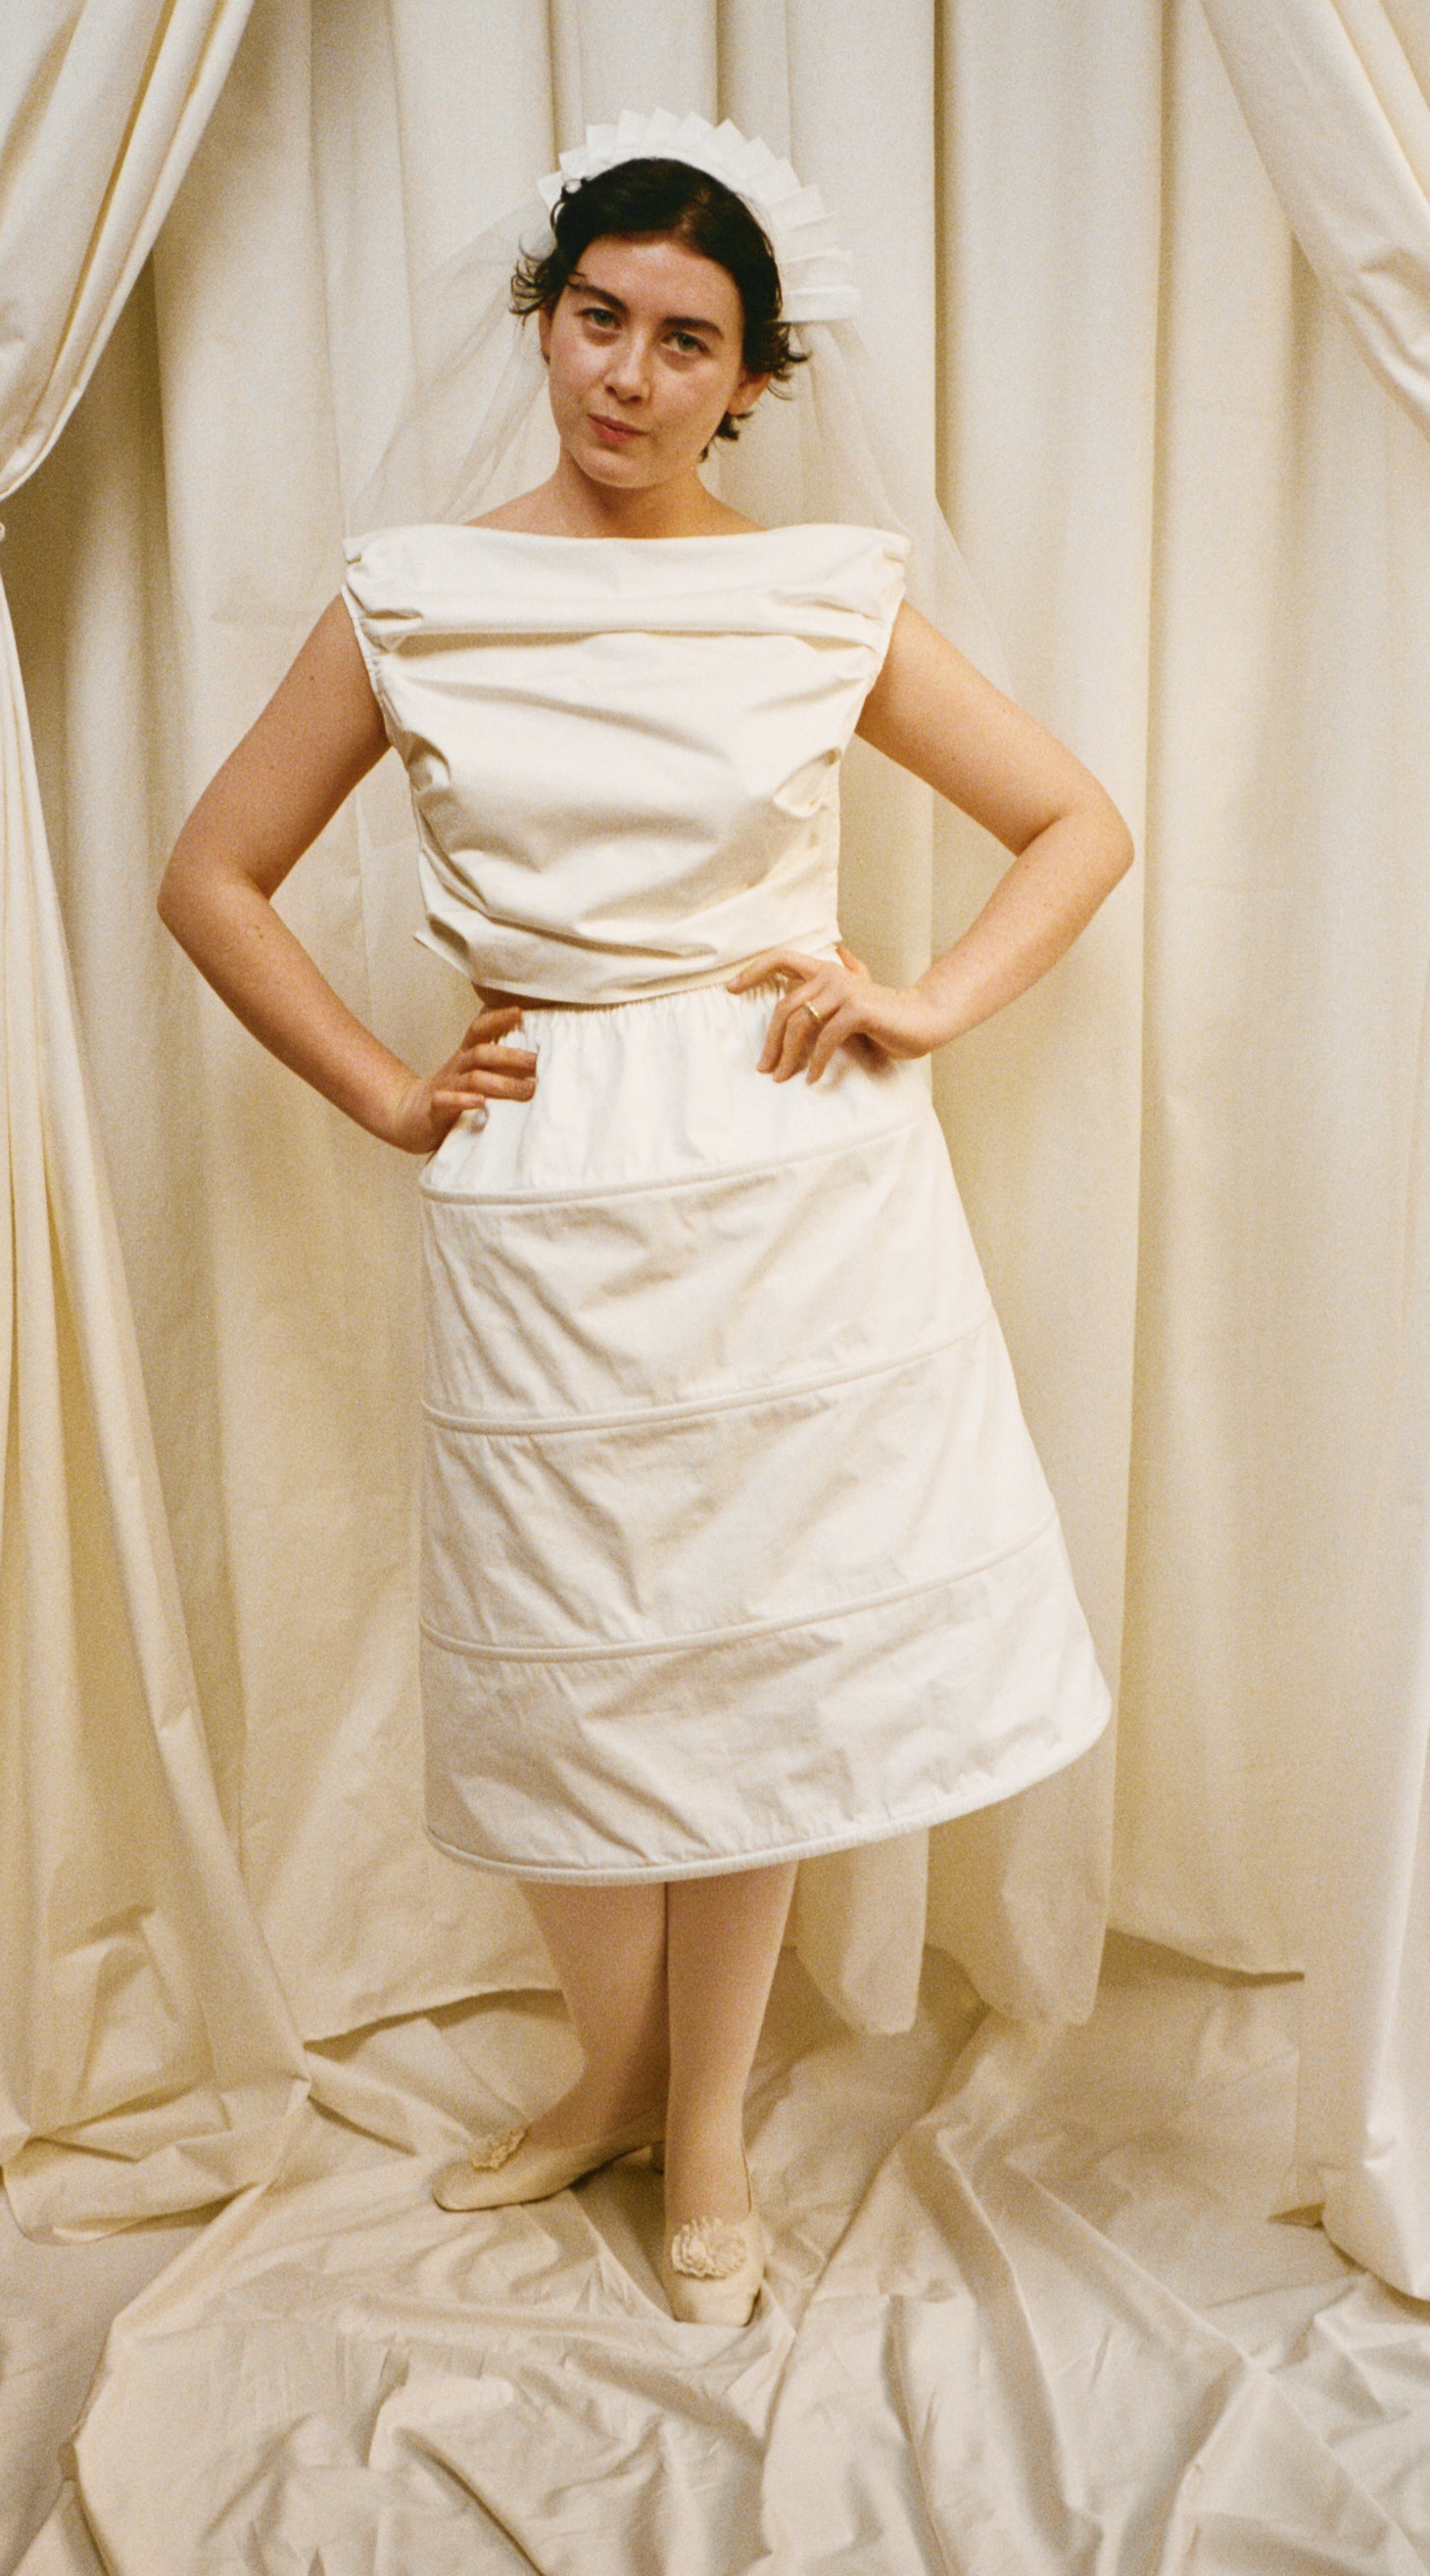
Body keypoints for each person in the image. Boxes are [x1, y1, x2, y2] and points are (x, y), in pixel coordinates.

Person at [158, 117, 1132, 2327]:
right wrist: (391, 1091)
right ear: (543, 320)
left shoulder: (816, 594)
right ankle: (609, 2076)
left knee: (750, 1658)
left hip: (792, 1179)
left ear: (752, 380)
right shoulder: (418, 591)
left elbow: (1074, 821)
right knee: (568, 1668)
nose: (628, 372)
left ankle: (706, 2138)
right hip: (543, 1182)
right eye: (597, 317)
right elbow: (213, 873)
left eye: (686, 340)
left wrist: (920, 999)